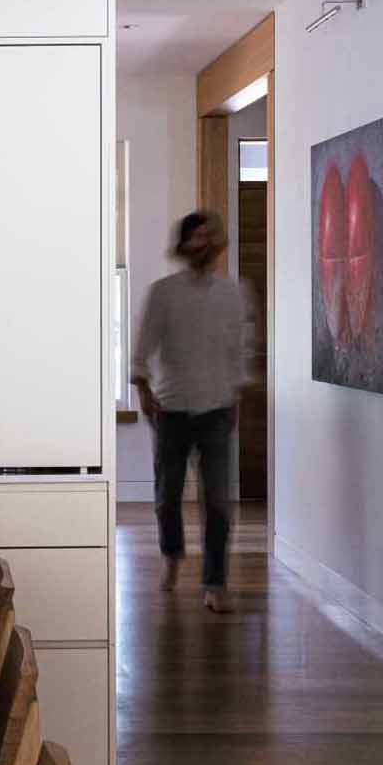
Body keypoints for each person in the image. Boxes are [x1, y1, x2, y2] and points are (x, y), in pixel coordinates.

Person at [131, 209, 252, 614]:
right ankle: (171, 556)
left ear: (215, 246)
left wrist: (237, 393)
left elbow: (240, 349)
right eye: (194, 238)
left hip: (217, 408)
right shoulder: (163, 293)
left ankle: (214, 583)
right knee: (167, 496)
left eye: (208, 238)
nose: (202, 245)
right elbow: (143, 346)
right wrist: (144, 388)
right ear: (183, 245)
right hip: (171, 408)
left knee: (218, 502)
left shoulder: (232, 294)